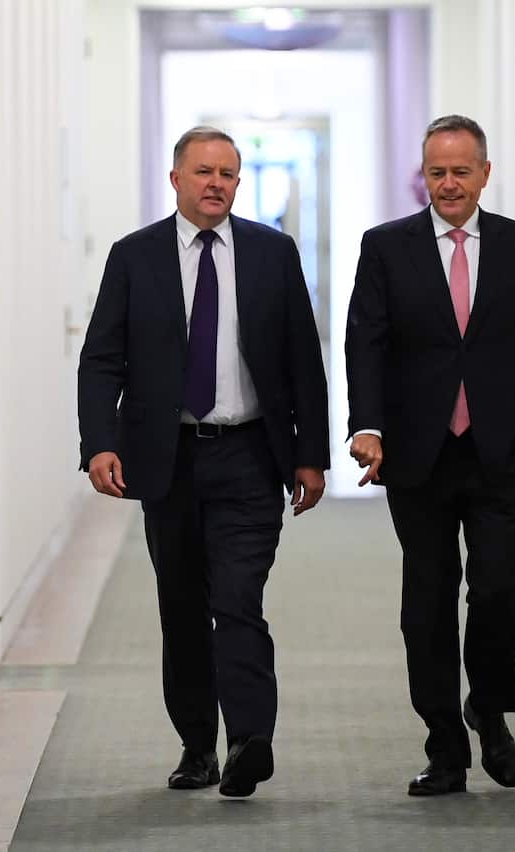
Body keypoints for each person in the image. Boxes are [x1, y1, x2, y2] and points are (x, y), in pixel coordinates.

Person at [78, 126, 329, 798]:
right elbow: (103, 358)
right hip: (170, 458)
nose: (216, 183)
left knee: (240, 597)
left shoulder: (273, 254)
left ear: (238, 183)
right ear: (176, 180)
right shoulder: (135, 257)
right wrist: (100, 442)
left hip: (250, 453)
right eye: (203, 172)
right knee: (183, 605)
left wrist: (310, 456)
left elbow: (304, 360)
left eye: (228, 173)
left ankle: (250, 738)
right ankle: (197, 746)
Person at [345, 115, 515, 796]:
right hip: (419, 454)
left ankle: (489, 707)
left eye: (460, 171)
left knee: (501, 589)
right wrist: (368, 427)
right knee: (429, 602)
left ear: (484, 174)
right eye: (436, 172)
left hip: (503, 452)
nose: (448, 183)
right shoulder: (386, 248)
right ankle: (445, 746)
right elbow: (366, 344)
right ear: (424, 175)